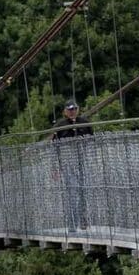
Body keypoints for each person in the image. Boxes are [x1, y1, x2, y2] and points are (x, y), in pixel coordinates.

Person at [51, 99, 92, 231]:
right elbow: (54, 148)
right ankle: (72, 225)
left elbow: (93, 140)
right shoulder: (60, 126)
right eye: (69, 110)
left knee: (84, 192)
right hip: (68, 164)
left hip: (83, 162)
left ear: (78, 109)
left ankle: (83, 221)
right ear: (65, 111)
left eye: (74, 109)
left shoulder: (85, 123)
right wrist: (55, 168)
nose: (72, 112)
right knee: (72, 193)